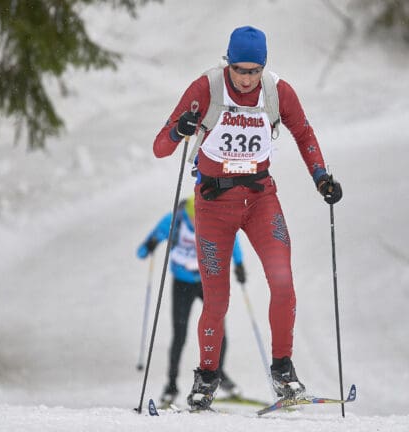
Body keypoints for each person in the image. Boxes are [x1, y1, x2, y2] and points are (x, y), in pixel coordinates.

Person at [152, 26, 343, 410]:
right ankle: (206, 378)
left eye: (254, 71)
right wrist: (180, 129)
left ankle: (283, 370)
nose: (246, 78)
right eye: (240, 69)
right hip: (213, 203)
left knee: (283, 282)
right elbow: (160, 147)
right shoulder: (205, 88)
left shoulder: (277, 91)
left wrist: (321, 177)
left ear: (264, 68)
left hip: (260, 199)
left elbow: (304, 133)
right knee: (217, 300)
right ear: (228, 62)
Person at [137, 195, 247, 407]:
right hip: (182, 283)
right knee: (179, 335)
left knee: (218, 330)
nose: (200, 224)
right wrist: (148, 246)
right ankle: (171, 386)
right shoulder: (175, 220)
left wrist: (239, 264)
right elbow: (144, 248)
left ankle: (218, 374)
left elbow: (231, 240)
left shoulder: (215, 218)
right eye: (195, 219)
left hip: (208, 281)